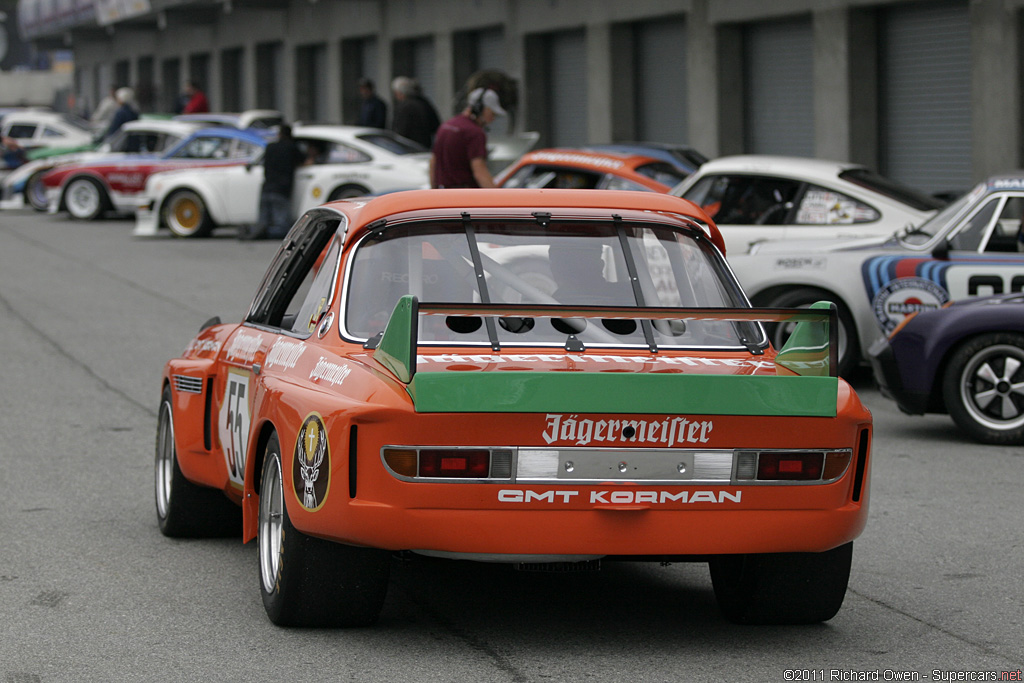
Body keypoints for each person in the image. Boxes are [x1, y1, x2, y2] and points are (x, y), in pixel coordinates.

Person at [240, 124, 307, 241]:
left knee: (263, 222)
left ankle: (255, 232)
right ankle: (263, 234)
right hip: (282, 190)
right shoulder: (292, 147)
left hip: (266, 188)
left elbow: (259, 162)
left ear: (279, 134)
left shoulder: (270, 147)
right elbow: (303, 162)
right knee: (282, 227)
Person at [430, 87, 505, 189]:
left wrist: (433, 191)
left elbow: (433, 162)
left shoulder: (446, 126)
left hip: (444, 194)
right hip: (466, 196)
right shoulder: (475, 133)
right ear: (480, 108)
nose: (493, 118)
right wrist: (498, 199)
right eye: (492, 113)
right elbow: (480, 173)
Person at [390, 76, 440, 149]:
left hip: (408, 148)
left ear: (400, 93)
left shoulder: (404, 107)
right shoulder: (425, 103)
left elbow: (400, 131)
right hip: (425, 145)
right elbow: (435, 125)